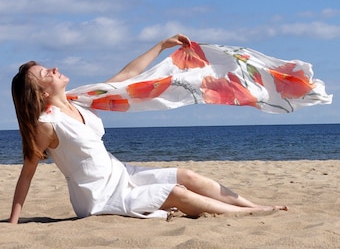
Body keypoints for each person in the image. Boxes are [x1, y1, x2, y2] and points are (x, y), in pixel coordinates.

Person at [9, 34, 287, 224]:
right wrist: (13, 220)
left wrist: (161, 45)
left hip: (122, 174)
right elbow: (27, 173)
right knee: (177, 193)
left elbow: (127, 76)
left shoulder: (79, 99)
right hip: (99, 196)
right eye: (46, 74)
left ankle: (249, 205)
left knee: (186, 175)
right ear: (41, 93)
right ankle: (249, 214)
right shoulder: (47, 125)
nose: (54, 69)